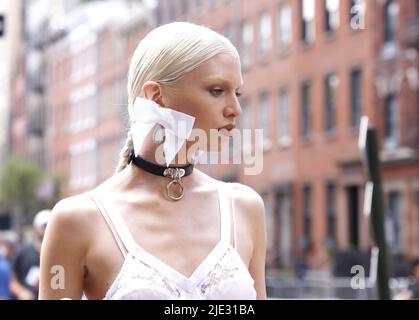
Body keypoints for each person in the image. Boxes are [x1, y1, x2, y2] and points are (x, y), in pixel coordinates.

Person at [39, 21, 266, 300]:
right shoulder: (77, 219)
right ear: (156, 97)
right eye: (217, 91)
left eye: (237, 93)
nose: (235, 109)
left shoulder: (244, 207)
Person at [10, 210, 50, 300]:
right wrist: (21, 292)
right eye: (45, 225)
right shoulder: (23, 252)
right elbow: (13, 282)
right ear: (36, 227)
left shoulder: (60, 252)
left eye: (51, 225)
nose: (48, 229)